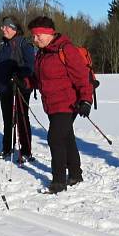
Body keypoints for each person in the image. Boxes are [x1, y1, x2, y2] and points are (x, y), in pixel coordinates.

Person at [26, 16, 93, 194]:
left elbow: (81, 77)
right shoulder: (42, 53)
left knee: (55, 138)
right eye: (33, 36)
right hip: (51, 103)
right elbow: (39, 78)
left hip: (68, 103)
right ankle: (75, 174)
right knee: (67, 137)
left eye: (38, 35)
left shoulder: (66, 50)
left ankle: (58, 181)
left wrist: (86, 99)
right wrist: (25, 82)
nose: (35, 39)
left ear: (49, 34)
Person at [0, 16, 36, 163]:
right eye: (3, 26)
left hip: (20, 88)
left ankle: (26, 151)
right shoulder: (2, 44)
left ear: (14, 29)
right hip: (5, 88)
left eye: (7, 27)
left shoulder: (24, 44)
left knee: (21, 119)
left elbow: (30, 66)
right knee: (7, 120)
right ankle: (7, 149)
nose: (3, 29)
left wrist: (19, 76)